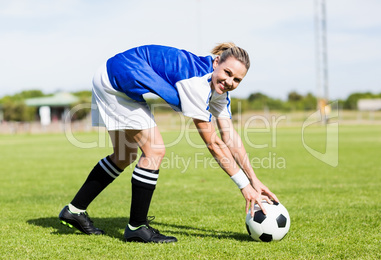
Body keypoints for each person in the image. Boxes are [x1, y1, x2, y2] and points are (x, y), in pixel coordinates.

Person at [59, 42, 279, 243]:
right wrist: (244, 187)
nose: (229, 82)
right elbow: (213, 143)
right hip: (116, 81)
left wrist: (254, 179)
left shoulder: (219, 90)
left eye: (237, 80)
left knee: (124, 156)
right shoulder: (197, 83)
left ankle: (75, 211)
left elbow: (229, 136)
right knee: (154, 151)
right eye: (227, 73)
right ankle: (137, 227)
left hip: (112, 74)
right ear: (216, 62)